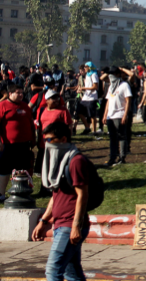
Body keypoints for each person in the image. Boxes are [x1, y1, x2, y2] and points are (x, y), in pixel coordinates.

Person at [31, 122, 92, 281]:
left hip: (69, 225)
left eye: (50, 140)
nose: (47, 144)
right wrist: (43, 221)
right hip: (60, 224)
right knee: (72, 273)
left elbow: (83, 194)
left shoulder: (76, 161)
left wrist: (76, 226)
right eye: (45, 140)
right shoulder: (60, 161)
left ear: (63, 139)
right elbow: (56, 196)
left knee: (53, 271)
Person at [0, 83, 35, 201]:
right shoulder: (3, 105)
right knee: (4, 169)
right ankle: (1, 193)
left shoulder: (25, 106)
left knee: (22, 169)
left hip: (24, 144)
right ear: (10, 93)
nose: (21, 95)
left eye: (22, 93)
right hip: (7, 144)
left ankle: (21, 191)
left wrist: (33, 139)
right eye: (18, 93)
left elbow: (31, 123)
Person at [102, 67, 133, 166]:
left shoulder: (124, 85)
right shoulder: (111, 86)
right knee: (112, 138)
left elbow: (128, 101)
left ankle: (122, 157)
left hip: (120, 114)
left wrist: (125, 115)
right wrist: (105, 115)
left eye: (113, 74)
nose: (111, 76)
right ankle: (112, 158)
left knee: (121, 136)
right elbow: (108, 101)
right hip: (110, 116)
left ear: (118, 75)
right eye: (110, 75)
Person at [75, 62, 99, 135]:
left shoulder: (93, 75)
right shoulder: (87, 75)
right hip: (85, 97)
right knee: (79, 112)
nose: (84, 68)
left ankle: (94, 131)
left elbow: (95, 87)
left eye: (86, 67)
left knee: (92, 115)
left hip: (92, 97)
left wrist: (84, 88)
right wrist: (81, 89)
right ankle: (87, 127)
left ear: (89, 67)